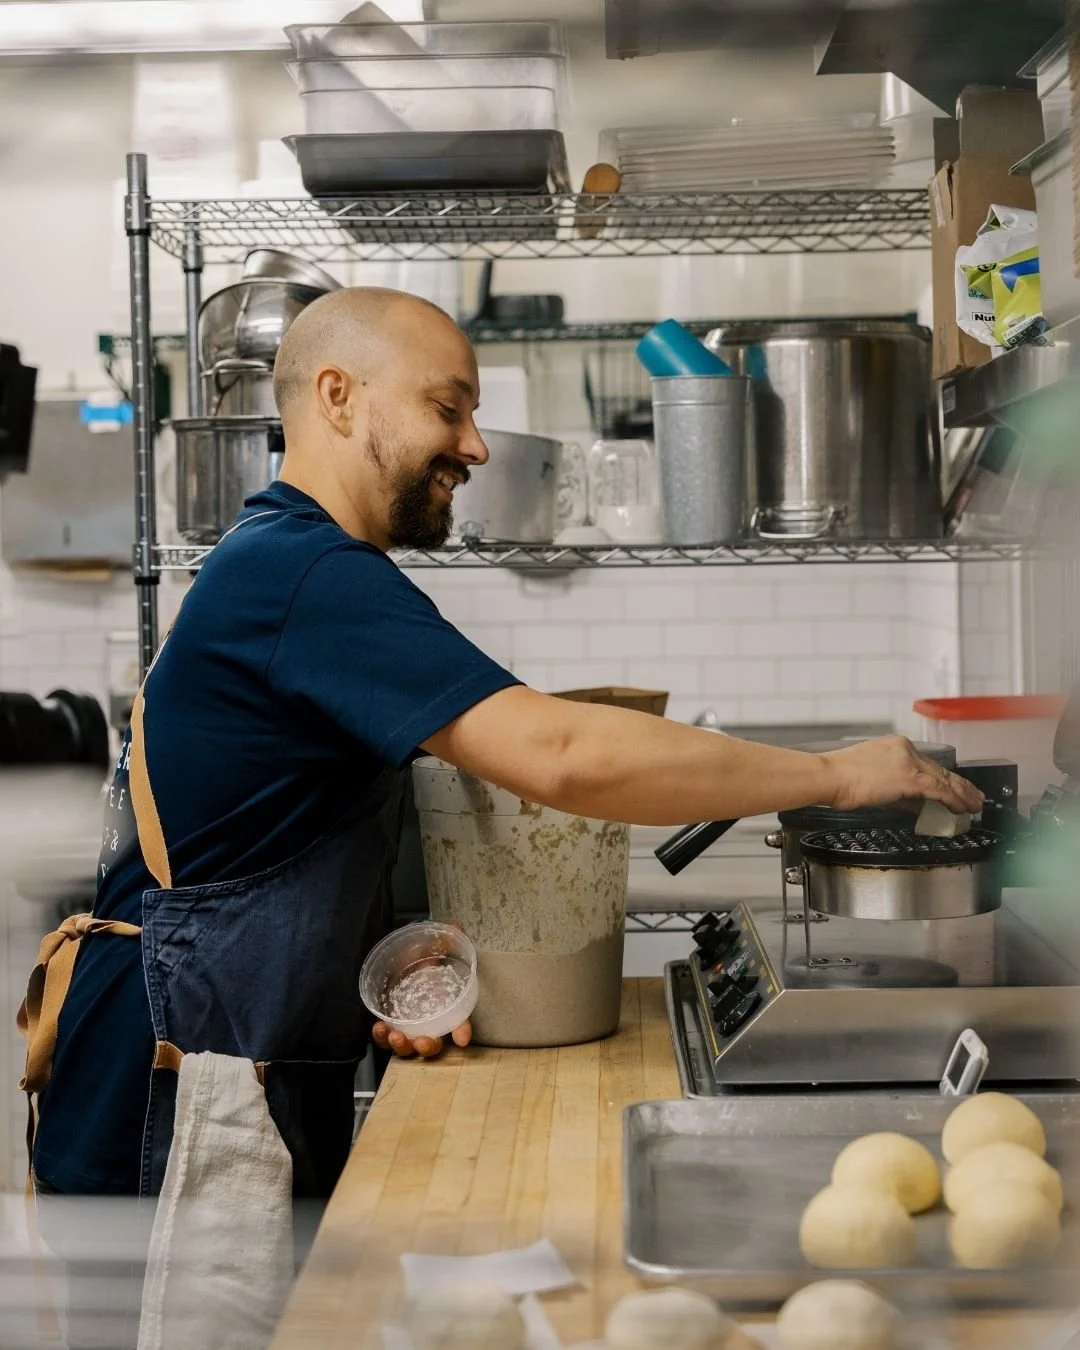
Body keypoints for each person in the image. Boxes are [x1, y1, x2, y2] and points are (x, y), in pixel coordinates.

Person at [27, 287, 982, 1204]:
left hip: (226, 1063)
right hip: (172, 1087)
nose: (473, 446)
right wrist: (835, 774)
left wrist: (380, 983)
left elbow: (254, 836)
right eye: (448, 408)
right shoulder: (306, 575)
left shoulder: (285, 559)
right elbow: (561, 754)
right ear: (337, 397)